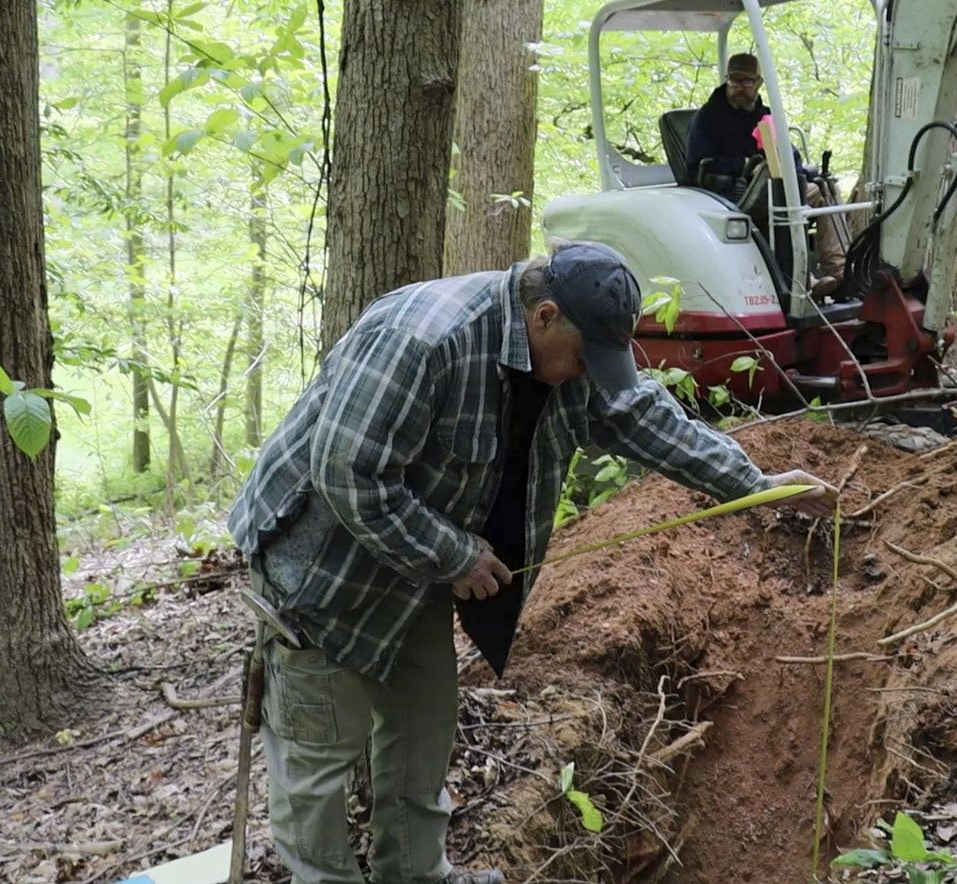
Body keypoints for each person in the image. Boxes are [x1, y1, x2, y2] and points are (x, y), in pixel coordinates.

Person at [227, 241, 837, 884]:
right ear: (544, 316)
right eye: (580, 358)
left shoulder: (572, 358)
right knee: (318, 762)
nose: (584, 374)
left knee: (421, 730)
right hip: (322, 572)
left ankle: (416, 875)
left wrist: (753, 482)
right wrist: (454, 554)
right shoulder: (426, 338)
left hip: (415, 573)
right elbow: (348, 475)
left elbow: (643, 419)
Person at [684, 52, 846, 294]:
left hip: (769, 187)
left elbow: (790, 155)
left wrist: (801, 172)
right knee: (783, 198)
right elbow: (698, 164)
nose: (739, 87)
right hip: (730, 192)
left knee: (824, 188)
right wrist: (745, 164)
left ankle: (840, 272)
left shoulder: (765, 115)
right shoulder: (709, 117)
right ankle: (802, 280)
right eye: (734, 81)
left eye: (746, 81)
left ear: (759, 83)